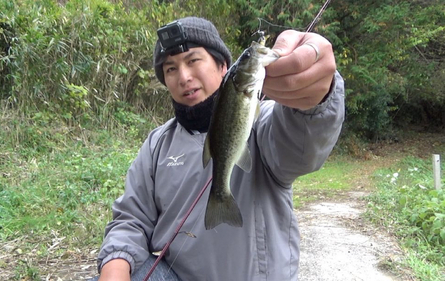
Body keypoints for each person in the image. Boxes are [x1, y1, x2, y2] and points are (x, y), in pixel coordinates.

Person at [95, 16, 345, 281]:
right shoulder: (157, 144)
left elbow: (301, 148)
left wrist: (315, 98)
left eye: (193, 61)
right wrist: (114, 269)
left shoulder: (264, 123)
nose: (184, 77)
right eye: (170, 69)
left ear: (224, 65)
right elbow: (131, 219)